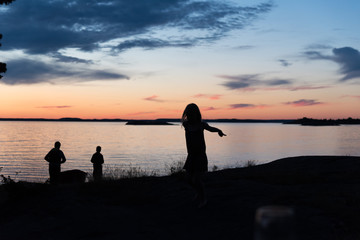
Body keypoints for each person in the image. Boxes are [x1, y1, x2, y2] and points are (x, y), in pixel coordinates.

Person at [182, 103, 226, 208]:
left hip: (200, 155)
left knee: (196, 179)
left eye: (193, 113)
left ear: (197, 114)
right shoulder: (186, 125)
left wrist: (219, 131)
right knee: (188, 179)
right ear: (186, 114)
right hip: (191, 156)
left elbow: (211, 129)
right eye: (189, 113)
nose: (190, 115)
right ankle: (198, 192)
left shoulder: (201, 125)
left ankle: (203, 199)